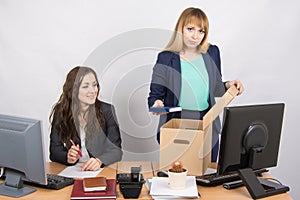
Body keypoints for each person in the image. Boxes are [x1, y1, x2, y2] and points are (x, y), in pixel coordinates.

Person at [148, 7, 244, 162]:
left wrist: (228, 85)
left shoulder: (212, 52)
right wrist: (157, 103)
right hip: (177, 122)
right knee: (179, 177)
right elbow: (154, 96)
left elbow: (215, 89)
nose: (195, 36)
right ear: (181, 29)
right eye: (190, 29)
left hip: (207, 122)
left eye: (201, 31)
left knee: (207, 177)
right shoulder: (165, 58)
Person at [49, 66, 122, 171]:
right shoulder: (61, 111)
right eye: (85, 86)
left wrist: (99, 160)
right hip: (73, 170)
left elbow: (116, 151)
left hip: (98, 171)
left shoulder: (107, 110)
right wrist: (68, 157)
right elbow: (54, 151)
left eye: (94, 85)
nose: (92, 91)